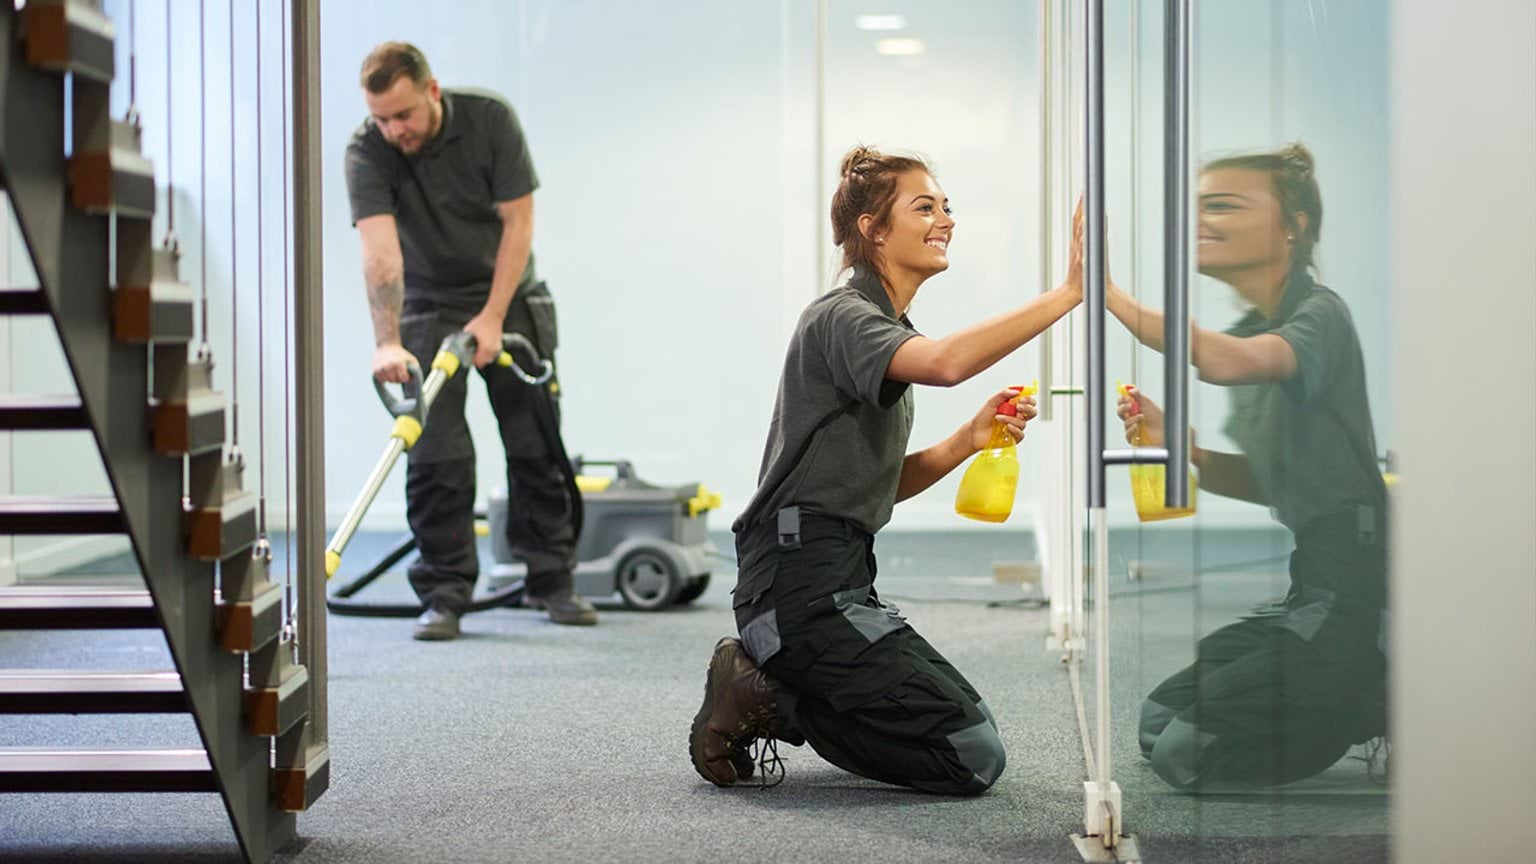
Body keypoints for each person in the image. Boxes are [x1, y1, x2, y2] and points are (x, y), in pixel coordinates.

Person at [688, 146, 1084, 793]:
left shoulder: (883, 324)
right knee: (970, 757)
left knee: (970, 730)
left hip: (839, 582)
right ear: (873, 229)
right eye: (923, 206)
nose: (945, 219)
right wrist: (1070, 292)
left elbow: (867, 486)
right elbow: (948, 363)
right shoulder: (844, 316)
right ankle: (765, 692)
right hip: (795, 591)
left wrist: (967, 440)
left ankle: (775, 683)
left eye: (946, 206)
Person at [1107, 143, 1389, 791]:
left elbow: (1224, 361)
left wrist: (1107, 297)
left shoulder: (1320, 315)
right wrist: (1190, 452)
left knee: (1188, 754)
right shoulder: (1257, 324)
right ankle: (1357, 688)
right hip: (1309, 585)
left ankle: (1371, 690)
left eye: (1223, 205)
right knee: (1159, 720)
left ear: (1294, 224)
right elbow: (1276, 483)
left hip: (1353, 591)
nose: (1199, 220)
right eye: (1197, 206)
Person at [344, 42, 597, 639]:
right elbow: (380, 255)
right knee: (436, 456)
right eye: (381, 118)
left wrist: (492, 316)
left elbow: (519, 223)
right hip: (428, 307)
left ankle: (549, 580)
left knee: (535, 443)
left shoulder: (489, 120)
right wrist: (386, 341)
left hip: (508, 295)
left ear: (432, 91)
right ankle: (445, 592)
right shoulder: (367, 149)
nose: (392, 129)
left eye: (402, 114)